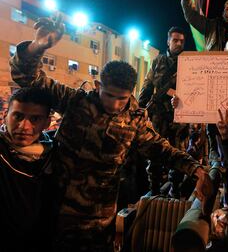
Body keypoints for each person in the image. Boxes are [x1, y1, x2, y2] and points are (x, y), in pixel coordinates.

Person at [10, 15, 213, 250]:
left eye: (122, 98)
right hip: (52, 215)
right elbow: (26, 78)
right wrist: (39, 46)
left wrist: (198, 171)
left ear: (131, 93)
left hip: (97, 227)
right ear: (98, 87)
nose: (115, 105)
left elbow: (163, 151)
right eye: (109, 95)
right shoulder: (75, 102)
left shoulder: (135, 121)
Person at [0, 87, 56, 251]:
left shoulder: (54, 155)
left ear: (47, 123)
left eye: (35, 119)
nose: (24, 126)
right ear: (5, 116)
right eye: (18, 116)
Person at [138, 26, 189, 197]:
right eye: (175, 40)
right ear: (168, 41)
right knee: (155, 152)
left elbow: (196, 89)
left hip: (179, 115)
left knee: (178, 152)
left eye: (181, 41)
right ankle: (154, 189)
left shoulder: (190, 63)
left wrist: (184, 100)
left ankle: (175, 188)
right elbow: (148, 85)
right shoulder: (158, 61)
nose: (178, 43)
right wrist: (141, 108)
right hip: (159, 115)